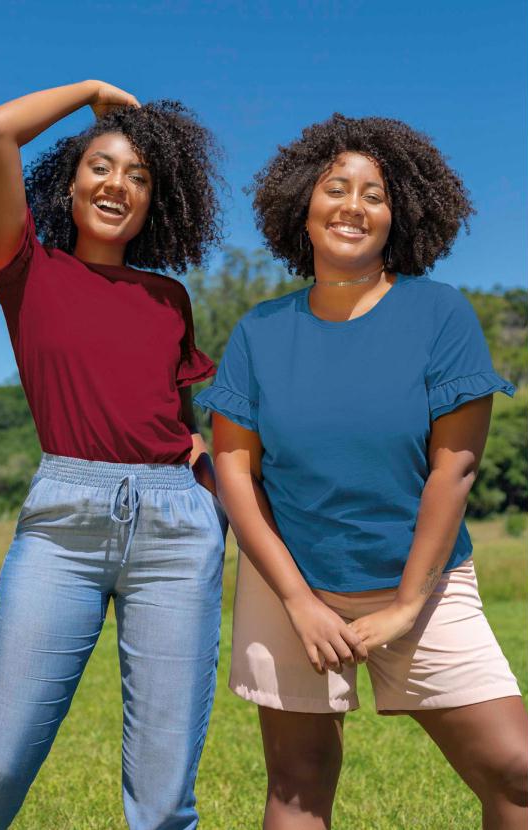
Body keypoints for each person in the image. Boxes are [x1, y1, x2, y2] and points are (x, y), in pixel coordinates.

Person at [195, 113, 528, 829]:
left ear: (397, 213)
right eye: (334, 188)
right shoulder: (258, 331)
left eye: (372, 194)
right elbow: (233, 470)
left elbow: (454, 469)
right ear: (301, 208)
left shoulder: (439, 315)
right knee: (296, 784)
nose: (352, 205)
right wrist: (298, 601)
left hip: (422, 584)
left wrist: (406, 605)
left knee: (515, 772)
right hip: (291, 586)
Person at [0, 80, 227, 830]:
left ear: (152, 203)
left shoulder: (169, 300)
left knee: (165, 799)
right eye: (101, 167)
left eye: (137, 176)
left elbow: (183, 421)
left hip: (175, 525)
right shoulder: (25, 267)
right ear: (65, 185)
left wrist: (209, 497)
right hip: (64, 522)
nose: (117, 184)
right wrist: (96, 92)